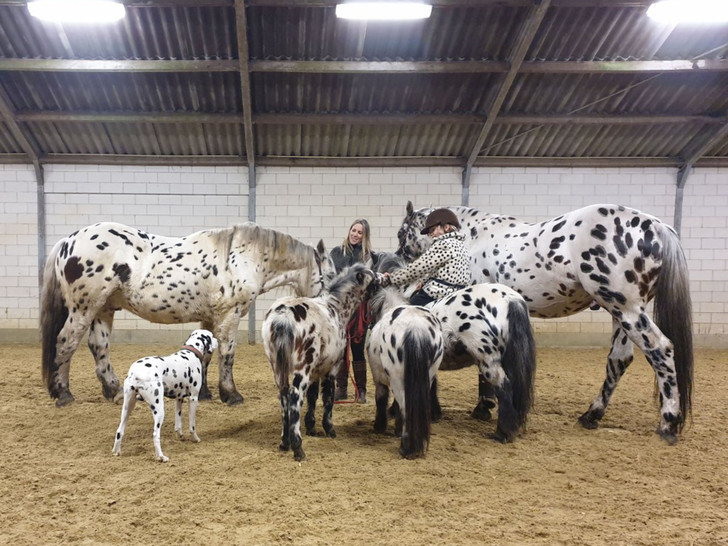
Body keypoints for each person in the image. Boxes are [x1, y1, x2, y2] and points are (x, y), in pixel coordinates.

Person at [382, 208, 470, 307]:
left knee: (407, 309)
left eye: (433, 230)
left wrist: (392, 279)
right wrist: (424, 282)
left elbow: (418, 268)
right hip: (458, 291)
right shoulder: (460, 245)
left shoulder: (443, 244)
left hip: (441, 291)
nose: (431, 234)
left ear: (446, 227)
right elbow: (439, 270)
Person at [330, 218, 376, 403]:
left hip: (358, 310)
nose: (355, 234)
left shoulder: (368, 257)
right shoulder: (335, 253)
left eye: (360, 232)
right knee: (340, 349)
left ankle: (361, 391)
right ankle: (341, 389)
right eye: (354, 230)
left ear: (365, 236)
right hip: (339, 309)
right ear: (349, 230)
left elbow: (369, 283)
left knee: (357, 348)